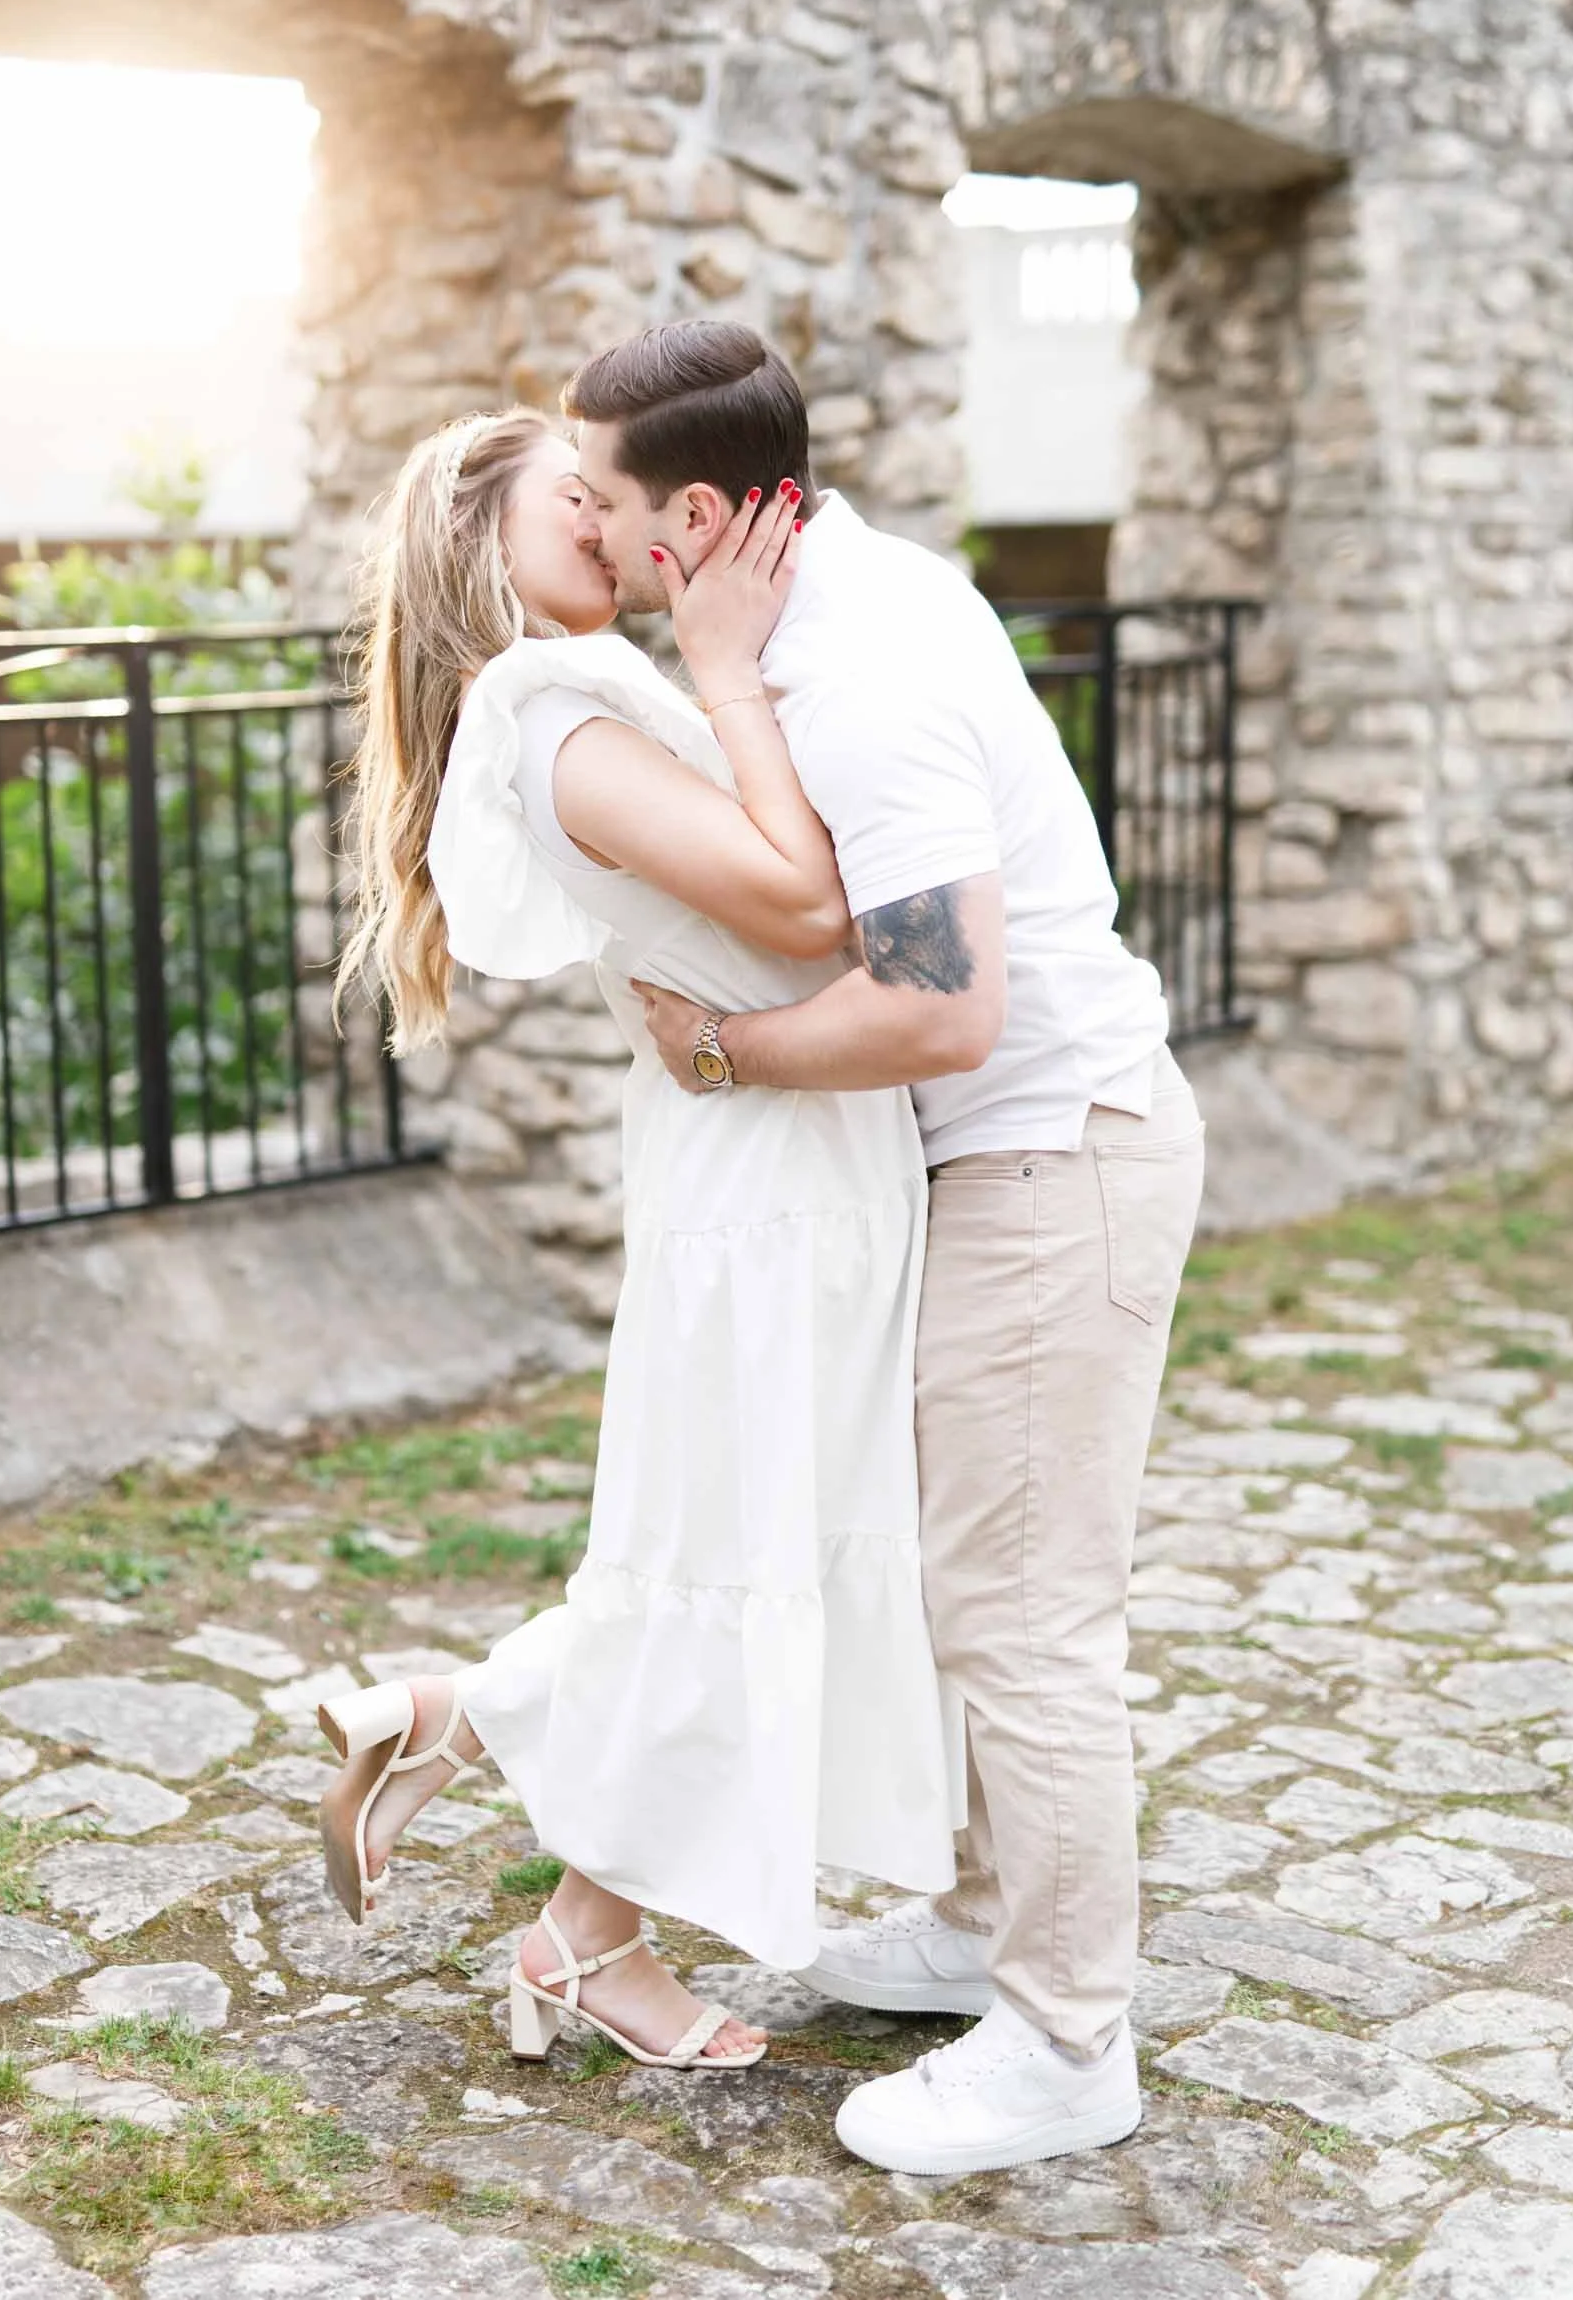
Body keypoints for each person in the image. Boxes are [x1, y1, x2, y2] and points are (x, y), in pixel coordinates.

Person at [581, 322, 1206, 2175]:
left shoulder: (849, 667)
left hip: (1045, 1161)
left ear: (695, 516)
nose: (597, 549)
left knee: (1024, 1622)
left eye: (608, 512)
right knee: (962, 1592)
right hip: (1002, 1169)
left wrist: (726, 1055)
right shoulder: (836, 601)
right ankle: (972, 1923)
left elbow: (941, 1006)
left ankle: (1066, 2042)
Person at [318, 404, 958, 2074]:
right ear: (485, 544)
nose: (609, 531)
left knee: (741, 1550)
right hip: (765, 1184)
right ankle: (566, 1906)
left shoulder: (585, 703)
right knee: (734, 1558)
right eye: (571, 508)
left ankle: (502, 1800)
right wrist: (733, 668)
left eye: (612, 503)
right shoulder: (557, 716)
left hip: (788, 1156)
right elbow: (810, 910)